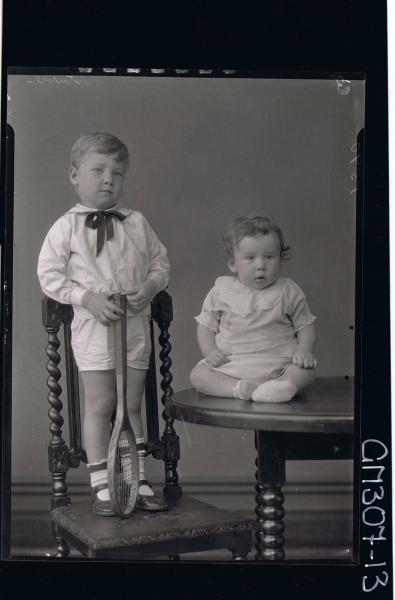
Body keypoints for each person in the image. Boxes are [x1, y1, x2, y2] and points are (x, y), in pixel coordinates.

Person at [37, 132, 169, 516]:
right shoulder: (66, 227)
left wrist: (149, 285)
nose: (108, 179)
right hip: (95, 330)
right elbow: (49, 276)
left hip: (135, 327)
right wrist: (87, 298)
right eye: (98, 170)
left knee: (131, 404)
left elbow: (161, 263)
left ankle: (136, 479)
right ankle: (103, 485)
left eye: (118, 173)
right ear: (75, 175)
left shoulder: (138, 223)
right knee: (101, 404)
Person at [190, 215, 316, 403]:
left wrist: (304, 349)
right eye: (250, 258)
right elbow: (206, 326)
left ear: (281, 259)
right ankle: (239, 389)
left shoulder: (288, 290)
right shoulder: (221, 291)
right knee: (198, 375)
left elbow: (305, 325)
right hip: (233, 365)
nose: (261, 266)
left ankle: (280, 387)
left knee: (306, 371)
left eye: (270, 257)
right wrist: (210, 351)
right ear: (233, 263)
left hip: (280, 364)